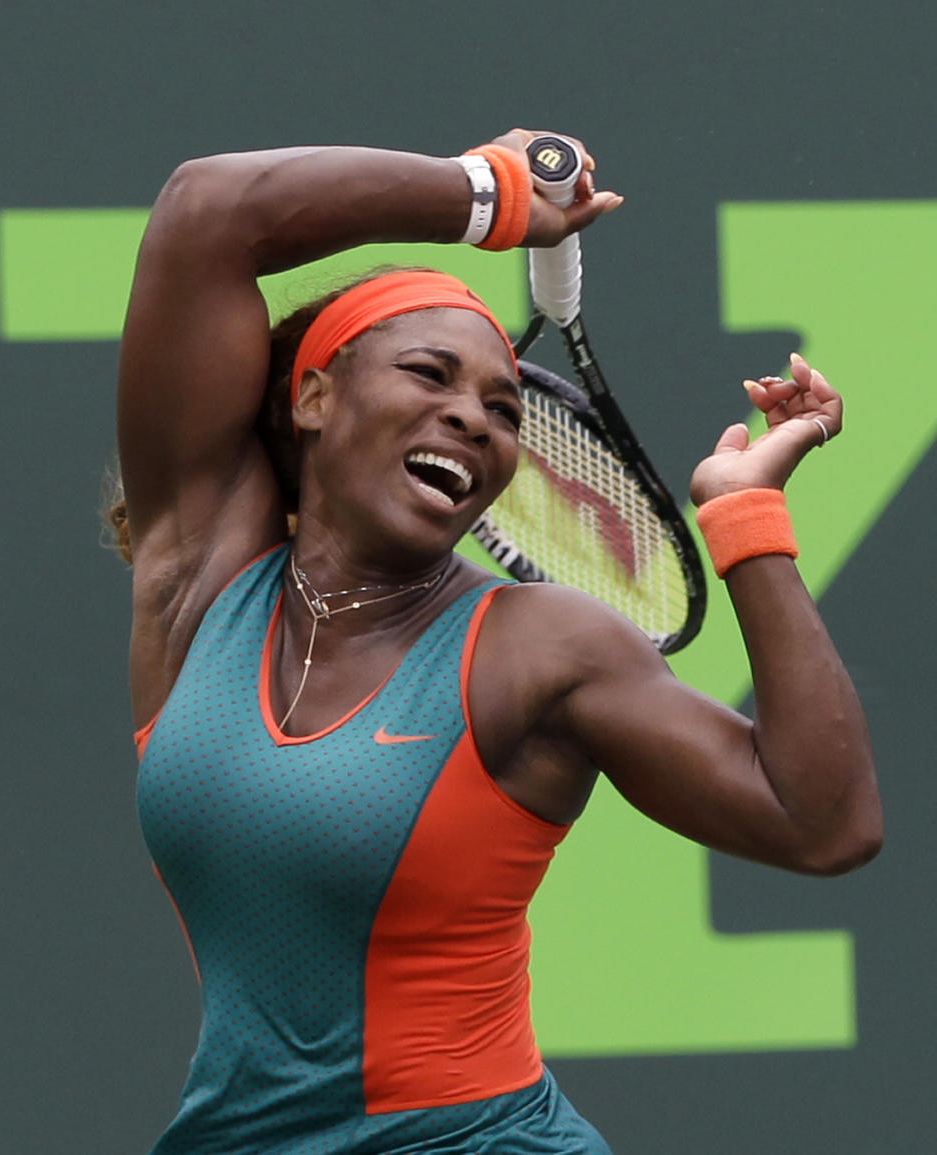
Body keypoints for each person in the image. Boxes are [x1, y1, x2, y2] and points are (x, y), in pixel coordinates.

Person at [115, 129, 882, 1154]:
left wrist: (747, 522)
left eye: (504, 408)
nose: (473, 418)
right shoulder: (198, 588)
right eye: (430, 375)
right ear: (313, 397)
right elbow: (206, 211)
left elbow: (821, 824)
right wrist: (492, 195)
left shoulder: (538, 645)